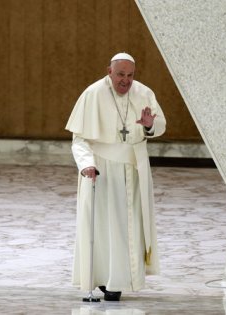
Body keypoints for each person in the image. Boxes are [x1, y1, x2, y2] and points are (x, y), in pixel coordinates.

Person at [65, 52, 166, 301]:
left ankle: (118, 281)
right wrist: (87, 164)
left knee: (128, 226)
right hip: (102, 169)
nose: (126, 81)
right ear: (109, 71)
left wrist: (149, 125)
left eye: (130, 75)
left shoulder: (144, 93)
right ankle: (105, 279)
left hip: (134, 169)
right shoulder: (93, 94)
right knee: (103, 227)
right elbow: (79, 139)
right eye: (121, 74)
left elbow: (160, 125)